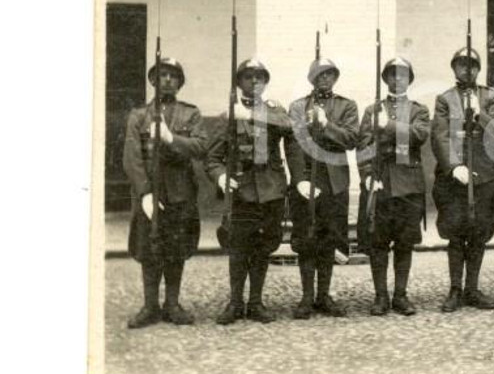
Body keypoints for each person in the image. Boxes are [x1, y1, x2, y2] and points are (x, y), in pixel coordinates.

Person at [207, 58, 295, 324]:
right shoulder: (228, 116)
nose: (254, 82)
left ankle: (256, 302)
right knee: (238, 248)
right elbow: (212, 158)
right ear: (240, 83)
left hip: (271, 191)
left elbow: (288, 126)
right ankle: (235, 302)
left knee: (262, 248)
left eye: (259, 77)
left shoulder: (275, 110)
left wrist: (253, 115)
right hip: (242, 192)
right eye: (248, 77)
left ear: (266, 82)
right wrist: (221, 177)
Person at [122, 58, 208, 328]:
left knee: (176, 250)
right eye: (162, 75)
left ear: (180, 83)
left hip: (180, 192)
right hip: (150, 193)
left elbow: (201, 147)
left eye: (173, 76)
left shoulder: (190, 114)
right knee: (149, 249)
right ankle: (150, 306)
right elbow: (131, 157)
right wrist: (145, 192)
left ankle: (172, 304)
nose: (168, 80)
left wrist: (172, 139)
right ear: (153, 81)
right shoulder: (138, 116)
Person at [431, 47, 494, 312]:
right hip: (454, 178)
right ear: (454, 68)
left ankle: (472, 288)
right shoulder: (445, 99)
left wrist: (478, 114)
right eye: (462, 65)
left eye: (472, 65)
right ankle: (455, 289)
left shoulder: (491, 96)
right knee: (455, 232)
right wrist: (453, 167)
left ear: (479, 68)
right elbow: (440, 136)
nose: (467, 70)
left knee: (478, 232)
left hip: (485, 174)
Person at [286, 57, 359, 319]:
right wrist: (300, 179)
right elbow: (293, 144)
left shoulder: (346, 106)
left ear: (335, 77)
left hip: (334, 180)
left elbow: (351, 139)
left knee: (329, 238)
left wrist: (326, 125)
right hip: (307, 181)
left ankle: (323, 295)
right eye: (319, 75)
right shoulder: (297, 107)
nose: (324, 79)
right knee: (307, 238)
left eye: (329, 74)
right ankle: (306, 297)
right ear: (311, 78)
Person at [357, 57, 430, 316]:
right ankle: (380, 296)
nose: (397, 79)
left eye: (402, 75)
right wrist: (367, 174)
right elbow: (364, 144)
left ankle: (400, 295)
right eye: (392, 74)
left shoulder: (419, 110)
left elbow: (420, 135)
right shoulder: (371, 110)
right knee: (378, 242)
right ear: (385, 79)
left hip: (408, 183)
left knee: (404, 242)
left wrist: (387, 125)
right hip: (381, 182)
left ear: (409, 79)